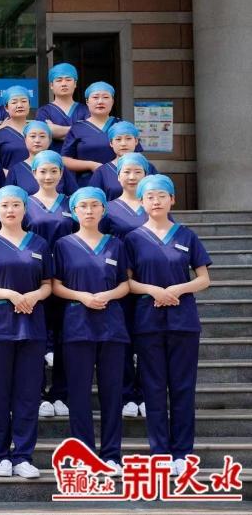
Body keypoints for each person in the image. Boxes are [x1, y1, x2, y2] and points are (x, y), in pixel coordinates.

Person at [125, 175, 211, 476]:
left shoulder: (187, 236)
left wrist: (178, 289)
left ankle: (183, 452)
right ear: (142, 202)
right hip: (148, 322)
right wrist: (153, 290)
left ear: (172, 199)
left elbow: (204, 278)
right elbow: (127, 282)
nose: (156, 201)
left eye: (162, 196)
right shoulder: (133, 239)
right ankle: (160, 452)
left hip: (183, 322)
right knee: (153, 388)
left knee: (183, 388)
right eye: (150, 197)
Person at [0, 185, 53, 479]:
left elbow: (48, 284)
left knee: (28, 395)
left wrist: (35, 295)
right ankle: (2, 455)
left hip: (32, 327)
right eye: (4, 205)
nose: (10, 210)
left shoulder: (39, 244)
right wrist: (9, 294)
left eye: (16, 205)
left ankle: (23, 455)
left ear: (25, 209)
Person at [52, 187, 130, 476]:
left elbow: (125, 283)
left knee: (112, 394)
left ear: (103, 210)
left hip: (111, 326)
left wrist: (108, 295)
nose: (88, 210)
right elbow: (55, 285)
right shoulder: (63, 245)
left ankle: (111, 455)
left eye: (94, 205)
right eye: (82, 206)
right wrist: (82, 297)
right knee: (79, 394)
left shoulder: (116, 245)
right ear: (74, 211)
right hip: (77, 326)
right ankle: (84, 455)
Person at [24, 150, 76, 418]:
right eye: (42, 171)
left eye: (53, 171)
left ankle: (61, 393)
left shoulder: (71, 204)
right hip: (35, 280)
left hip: (67, 278)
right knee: (36, 341)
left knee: (65, 338)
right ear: (34, 173)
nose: (48, 176)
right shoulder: (24, 204)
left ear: (61, 173)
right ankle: (39, 394)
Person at [100, 153, 150, 419]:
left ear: (146, 175)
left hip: (148, 284)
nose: (132, 177)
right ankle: (128, 395)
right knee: (123, 342)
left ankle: (146, 394)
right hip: (119, 283)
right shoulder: (106, 209)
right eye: (126, 172)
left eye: (137, 172)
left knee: (147, 342)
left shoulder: (154, 204)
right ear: (117, 176)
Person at [62, 82, 142, 186]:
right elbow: (65, 159)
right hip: (87, 185)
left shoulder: (122, 126)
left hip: (120, 184)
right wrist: (91, 165)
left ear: (112, 101)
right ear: (87, 101)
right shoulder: (77, 128)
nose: (100, 101)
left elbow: (137, 156)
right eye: (95, 97)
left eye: (105, 97)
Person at [5, 121, 78, 196]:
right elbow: (8, 197)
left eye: (42, 136)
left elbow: (75, 196)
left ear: (50, 140)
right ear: (25, 140)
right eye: (33, 136)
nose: (37, 140)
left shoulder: (58, 166)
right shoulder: (16, 169)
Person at [88, 121, 157, 200]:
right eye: (118, 139)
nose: (123, 143)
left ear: (136, 141)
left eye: (128, 138)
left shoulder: (149, 168)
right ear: (111, 143)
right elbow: (92, 200)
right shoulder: (102, 172)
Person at [35, 63, 88, 154]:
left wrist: (56, 131)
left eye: (68, 80)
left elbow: (89, 135)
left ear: (75, 84)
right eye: (59, 80)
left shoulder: (85, 110)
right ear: (51, 85)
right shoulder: (44, 111)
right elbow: (44, 134)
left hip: (80, 160)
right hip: (52, 161)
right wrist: (78, 130)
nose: (64, 84)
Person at [0, 86, 31, 171]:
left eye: (24, 101)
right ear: (6, 108)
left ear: (29, 105)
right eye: (14, 102)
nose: (20, 105)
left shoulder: (38, 130)